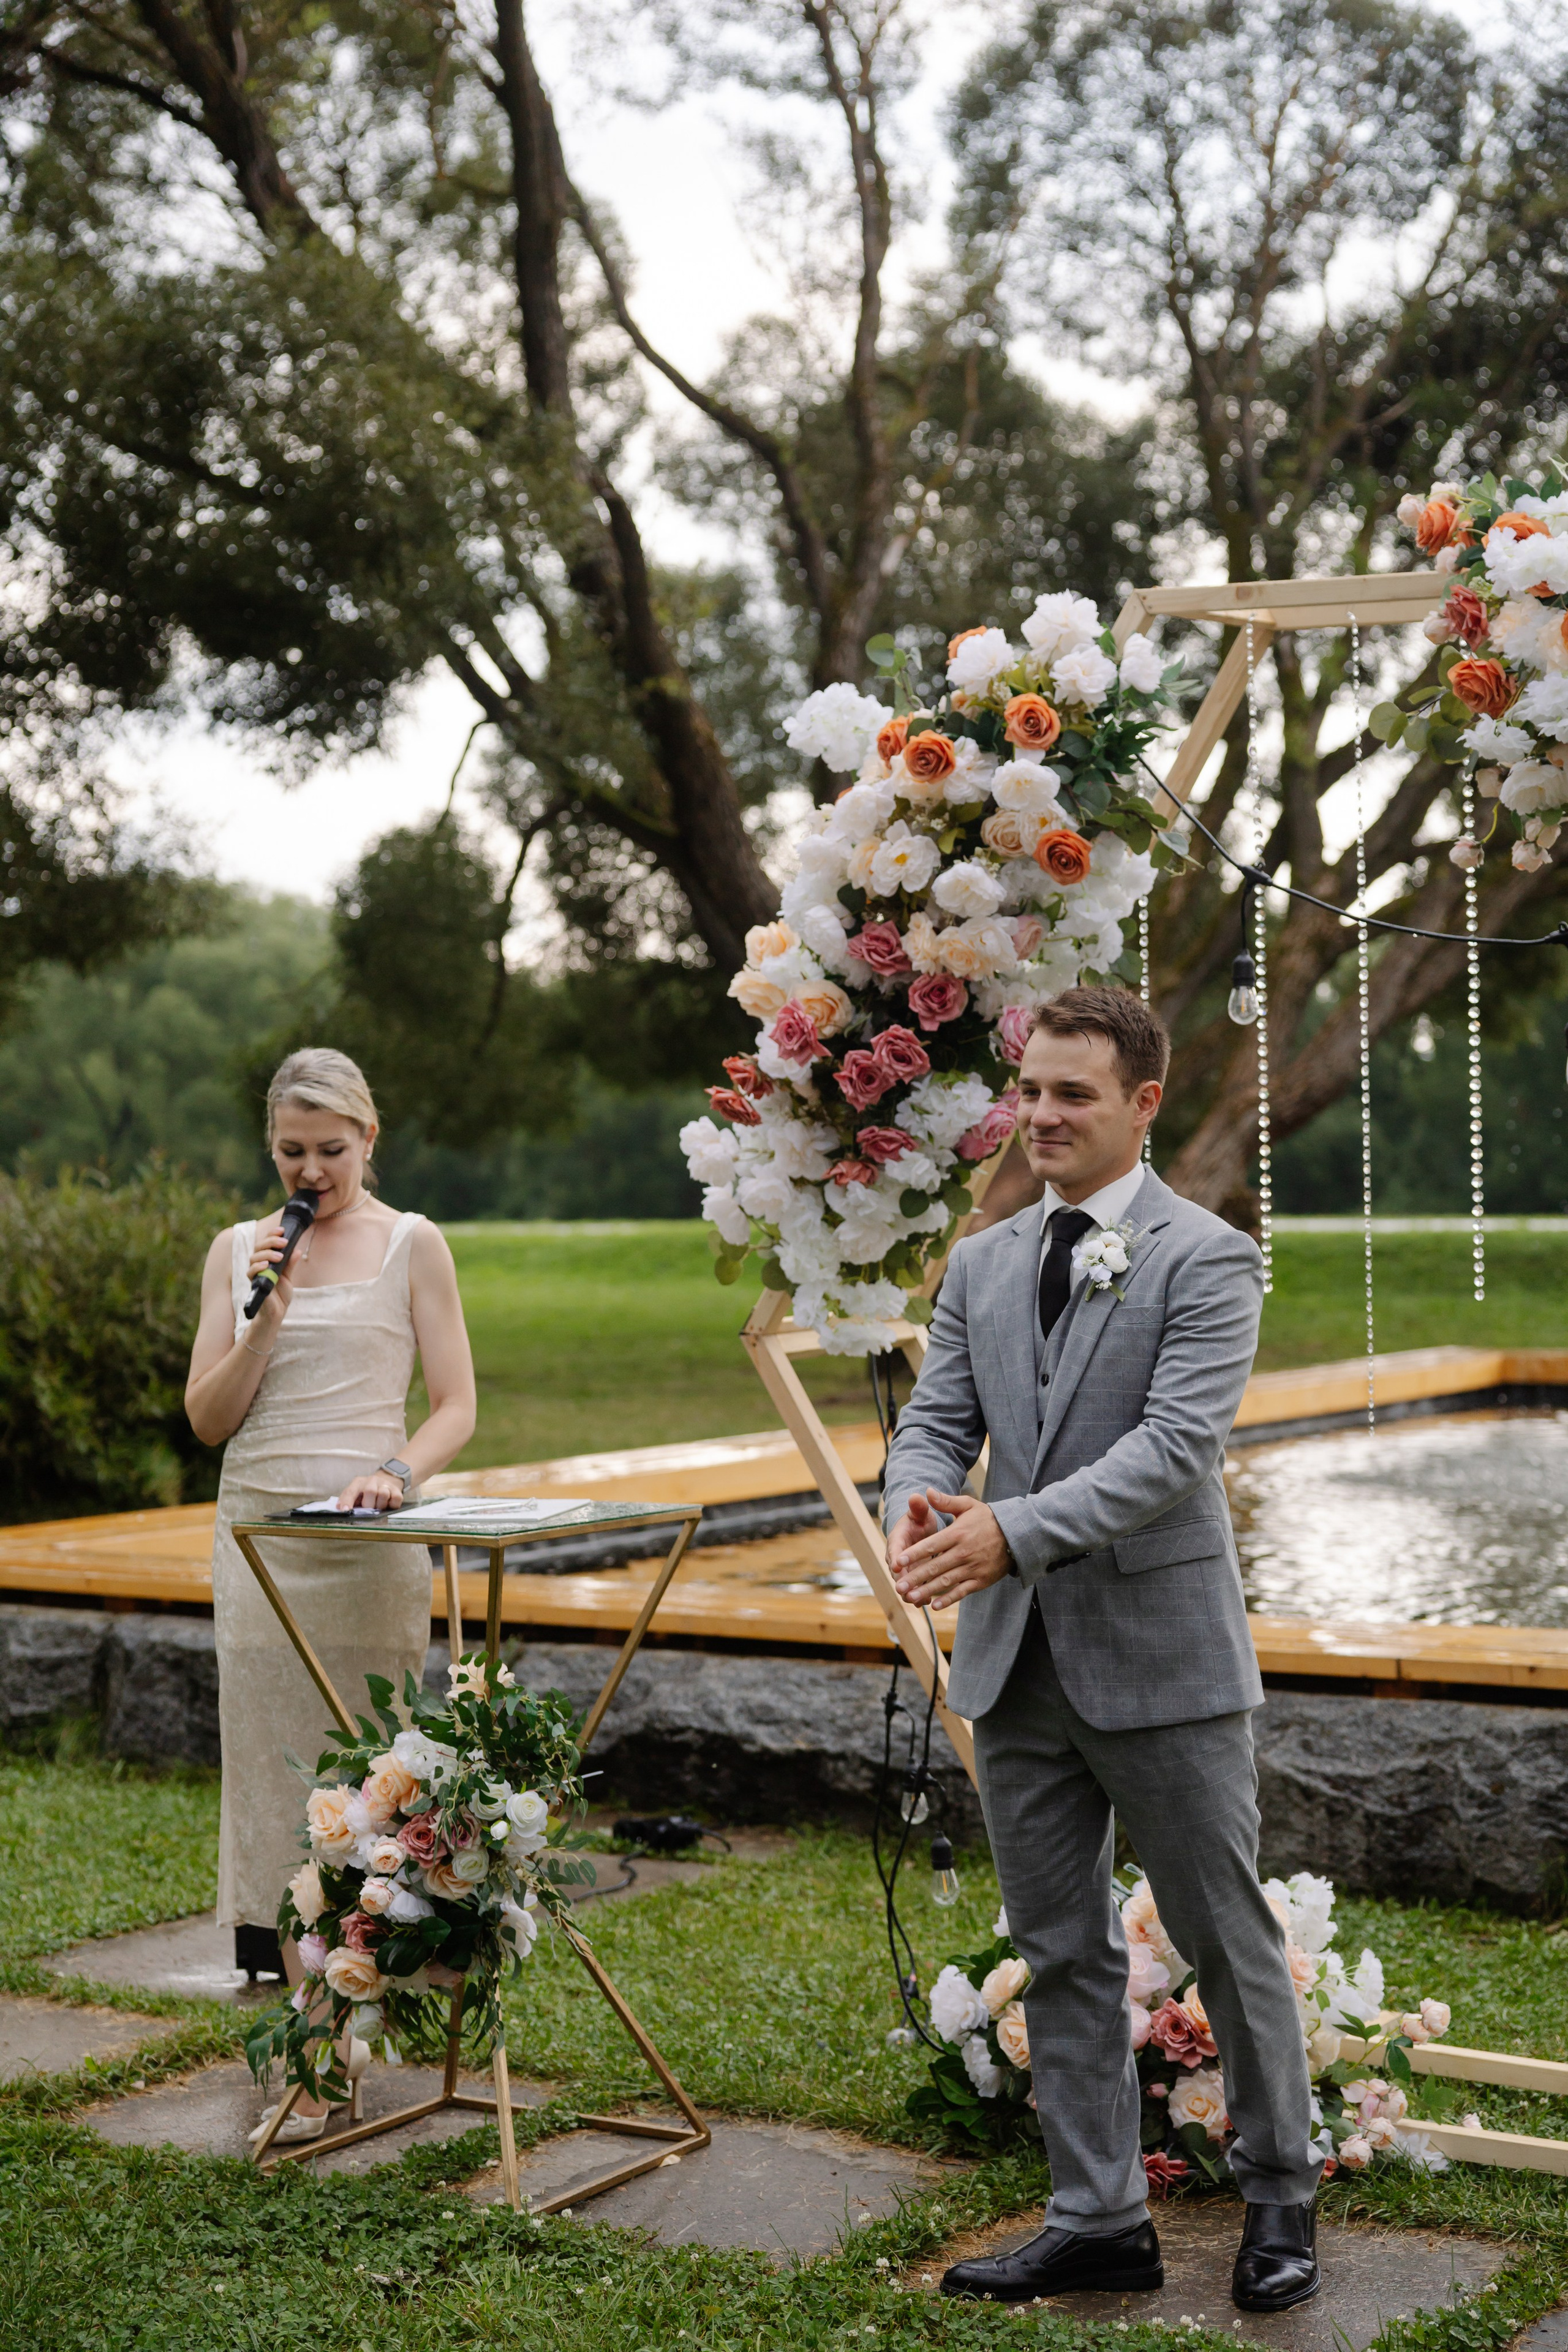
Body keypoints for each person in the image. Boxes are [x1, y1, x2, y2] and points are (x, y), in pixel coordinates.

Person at [884, 987, 1321, 2316]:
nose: (1041, 1116)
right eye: (1029, 1090)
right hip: (1014, 1663)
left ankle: (1279, 2194)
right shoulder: (981, 1261)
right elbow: (937, 1414)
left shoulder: (1209, 1258)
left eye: (1071, 1094)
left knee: (1218, 1927)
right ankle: (1094, 2218)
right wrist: (915, 1498)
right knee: (1059, 1947)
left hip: (1162, 1658)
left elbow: (1172, 1452)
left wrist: (1005, 1532)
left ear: (1142, 1105)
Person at [186, 1048, 477, 2139]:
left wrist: (396, 1476)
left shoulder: (414, 1243)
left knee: (369, 1790)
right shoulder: (237, 1252)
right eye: (292, 1152)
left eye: (332, 1150)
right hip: (259, 1539)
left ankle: (360, 2015)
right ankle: (316, 2042)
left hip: (367, 1542)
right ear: (273, 1150)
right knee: (275, 1790)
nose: (312, 1170)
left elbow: (454, 1404)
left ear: (370, 1137)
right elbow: (209, 1419)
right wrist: (267, 1310)